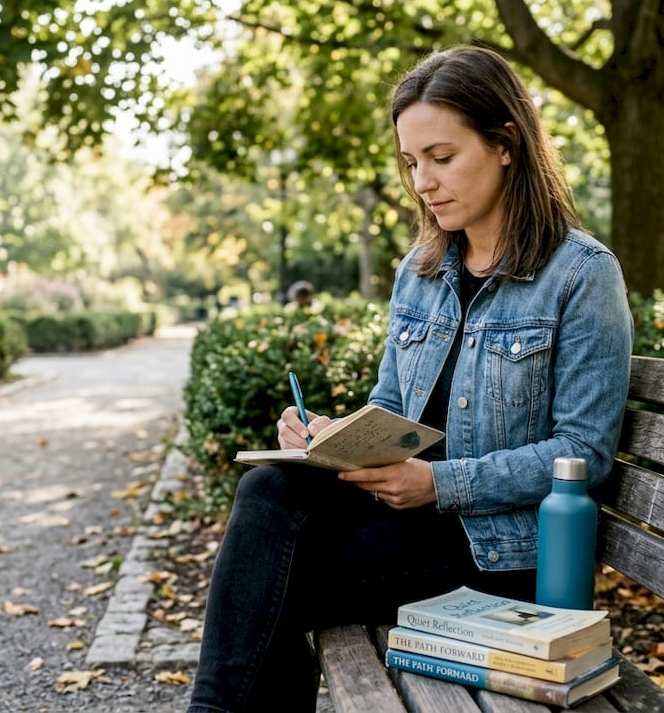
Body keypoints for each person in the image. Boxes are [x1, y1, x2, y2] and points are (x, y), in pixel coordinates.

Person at [188, 46, 633, 713]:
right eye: (411, 162)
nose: (423, 180)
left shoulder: (581, 274)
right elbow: (392, 407)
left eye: (441, 157)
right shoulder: (421, 271)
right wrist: (336, 438)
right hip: (408, 531)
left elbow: (583, 454)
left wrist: (438, 483)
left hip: (500, 554)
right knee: (270, 487)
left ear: (505, 143)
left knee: (268, 589)